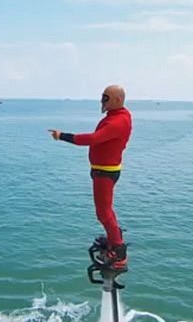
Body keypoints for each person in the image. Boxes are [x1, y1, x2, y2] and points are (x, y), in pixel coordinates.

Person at [48, 85, 132, 270]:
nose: (102, 102)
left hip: (105, 172)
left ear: (117, 100)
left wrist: (63, 136)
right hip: (102, 170)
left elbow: (93, 139)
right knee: (105, 210)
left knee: (103, 212)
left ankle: (119, 250)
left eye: (106, 98)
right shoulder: (116, 117)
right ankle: (113, 238)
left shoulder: (118, 122)